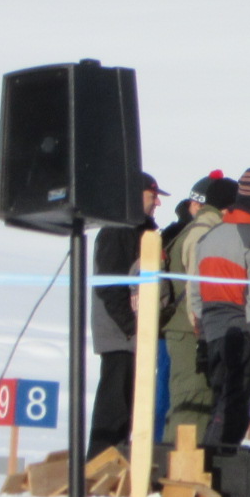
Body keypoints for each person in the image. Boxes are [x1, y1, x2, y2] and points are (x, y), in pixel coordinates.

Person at [194, 166, 250, 447]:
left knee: (217, 403)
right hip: (242, 333)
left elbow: (195, 290)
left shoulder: (210, 236)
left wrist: (201, 335)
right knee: (234, 411)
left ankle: (206, 461)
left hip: (211, 330)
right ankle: (218, 464)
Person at [88, 172, 162, 459]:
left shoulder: (139, 231)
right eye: (152, 196)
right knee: (114, 405)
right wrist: (132, 327)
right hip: (120, 336)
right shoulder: (117, 230)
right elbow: (109, 286)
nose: (157, 203)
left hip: (132, 335)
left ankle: (116, 461)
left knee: (128, 405)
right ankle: (99, 463)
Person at [162, 172, 234, 445]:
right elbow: (197, 288)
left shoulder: (198, 229)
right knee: (192, 403)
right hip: (191, 332)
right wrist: (203, 332)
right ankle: (178, 465)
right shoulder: (204, 234)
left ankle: (177, 462)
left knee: (190, 402)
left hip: (187, 330)